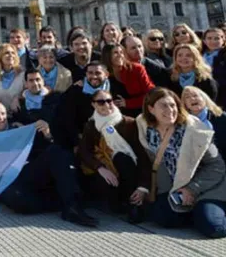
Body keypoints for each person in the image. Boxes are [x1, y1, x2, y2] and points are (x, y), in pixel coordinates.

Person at [137, 88, 226, 239]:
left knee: (214, 228)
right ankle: (197, 212)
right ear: (151, 109)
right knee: (162, 217)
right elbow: (147, 162)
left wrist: (191, 189)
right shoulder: (146, 129)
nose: (170, 110)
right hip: (176, 188)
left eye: (173, 105)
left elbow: (217, 166)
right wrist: (143, 188)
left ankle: (206, 210)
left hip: (208, 186)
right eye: (163, 106)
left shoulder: (194, 129)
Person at [78, 89, 148, 223]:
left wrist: (143, 187)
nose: (106, 105)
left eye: (109, 101)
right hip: (105, 166)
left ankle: (134, 204)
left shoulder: (128, 123)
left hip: (129, 168)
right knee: (109, 193)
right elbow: (84, 151)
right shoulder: (91, 125)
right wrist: (99, 167)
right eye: (101, 102)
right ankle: (116, 202)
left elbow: (142, 153)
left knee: (122, 158)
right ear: (93, 105)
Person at [54, 61, 111, 152]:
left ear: (106, 74)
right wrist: (77, 142)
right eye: (90, 73)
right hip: (83, 138)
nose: (94, 76)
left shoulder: (113, 91)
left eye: (98, 73)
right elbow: (68, 119)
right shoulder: (76, 91)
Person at [102, 44, 155, 117]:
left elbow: (151, 94)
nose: (120, 55)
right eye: (115, 53)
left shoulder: (136, 69)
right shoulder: (103, 72)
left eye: (121, 52)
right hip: (114, 114)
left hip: (140, 112)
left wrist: (128, 103)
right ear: (107, 56)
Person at [181, 86, 226, 159]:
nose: (192, 98)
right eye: (187, 97)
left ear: (204, 99)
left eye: (195, 95)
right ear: (185, 104)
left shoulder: (221, 117)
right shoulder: (183, 124)